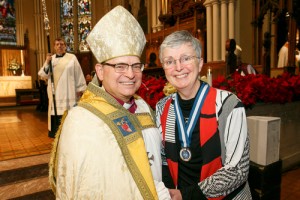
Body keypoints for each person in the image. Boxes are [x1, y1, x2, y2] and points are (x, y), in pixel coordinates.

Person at [49, 6, 170, 200]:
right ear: (100, 71)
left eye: (136, 65)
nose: (130, 74)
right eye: (120, 66)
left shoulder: (144, 107)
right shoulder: (81, 120)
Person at [156, 30, 252, 199]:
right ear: (164, 68)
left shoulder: (228, 105)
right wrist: (169, 194)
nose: (178, 67)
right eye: (169, 61)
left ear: (200, 63)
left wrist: (185, 194)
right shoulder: (163, 107)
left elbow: (237, 171)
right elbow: (163, 159)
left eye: (186, 58)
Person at [38, 38, 86, 138]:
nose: (59, 46)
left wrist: (80, 89)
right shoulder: (51, 59)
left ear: (65, 46)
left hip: (69, 92)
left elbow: (78, 74)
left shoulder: (72, 58)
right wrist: (47, 62)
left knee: (69, 114)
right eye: (57, 44)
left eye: (62, 44)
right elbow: (43, 74)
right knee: (56, 115)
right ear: (54, 47)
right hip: (56, 93)